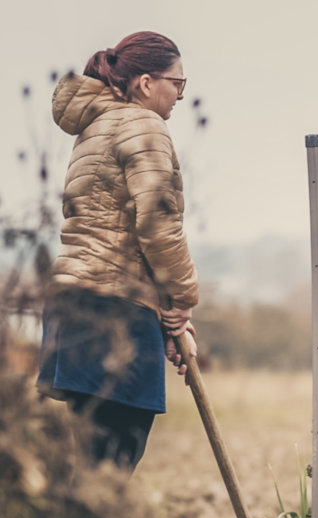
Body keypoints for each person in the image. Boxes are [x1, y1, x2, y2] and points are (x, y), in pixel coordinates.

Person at [37, 31, 199, 472]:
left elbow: (117, 231)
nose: (181, 96)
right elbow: (156, 225)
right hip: (115, 313)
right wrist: (182, 300)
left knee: (90, 466)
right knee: (111, 466)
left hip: (73, 306)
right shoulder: (143, 124)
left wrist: (165, 317)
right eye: (178, 84)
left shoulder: (96, 127)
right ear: (147, 83)